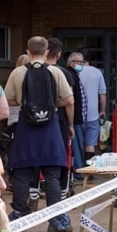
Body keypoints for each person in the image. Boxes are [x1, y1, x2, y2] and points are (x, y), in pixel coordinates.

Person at [3, 37, 74, 232]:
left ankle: (19, 217)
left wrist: (25, 104)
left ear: (27, 51)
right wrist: (52, 106)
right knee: (51, 173)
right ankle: (56, 219)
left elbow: (8, 100)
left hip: (26, 126)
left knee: (23, 173)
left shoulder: (18, 72)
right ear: (46, 52)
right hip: (49, 127)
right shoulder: (55, 71)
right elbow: (68, 100)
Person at [47, 38, 79, 191]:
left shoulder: (29, 70)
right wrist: (71, 124)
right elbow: (70, 102)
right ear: (59, 54)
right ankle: (61, 188)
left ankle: (35, 189)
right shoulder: (65, 73)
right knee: (61, 154)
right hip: (59, 120)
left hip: (33, 120)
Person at [68, 51, 106, 178]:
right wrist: (102, 110)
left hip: (77, 115)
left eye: (80, 62)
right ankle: (90, 171)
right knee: (90, 144)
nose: (79, 64)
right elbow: (102, 94)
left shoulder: (75, 73)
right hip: (92, 115)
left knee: (77, 145)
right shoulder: (97, 72)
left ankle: (79, 171)